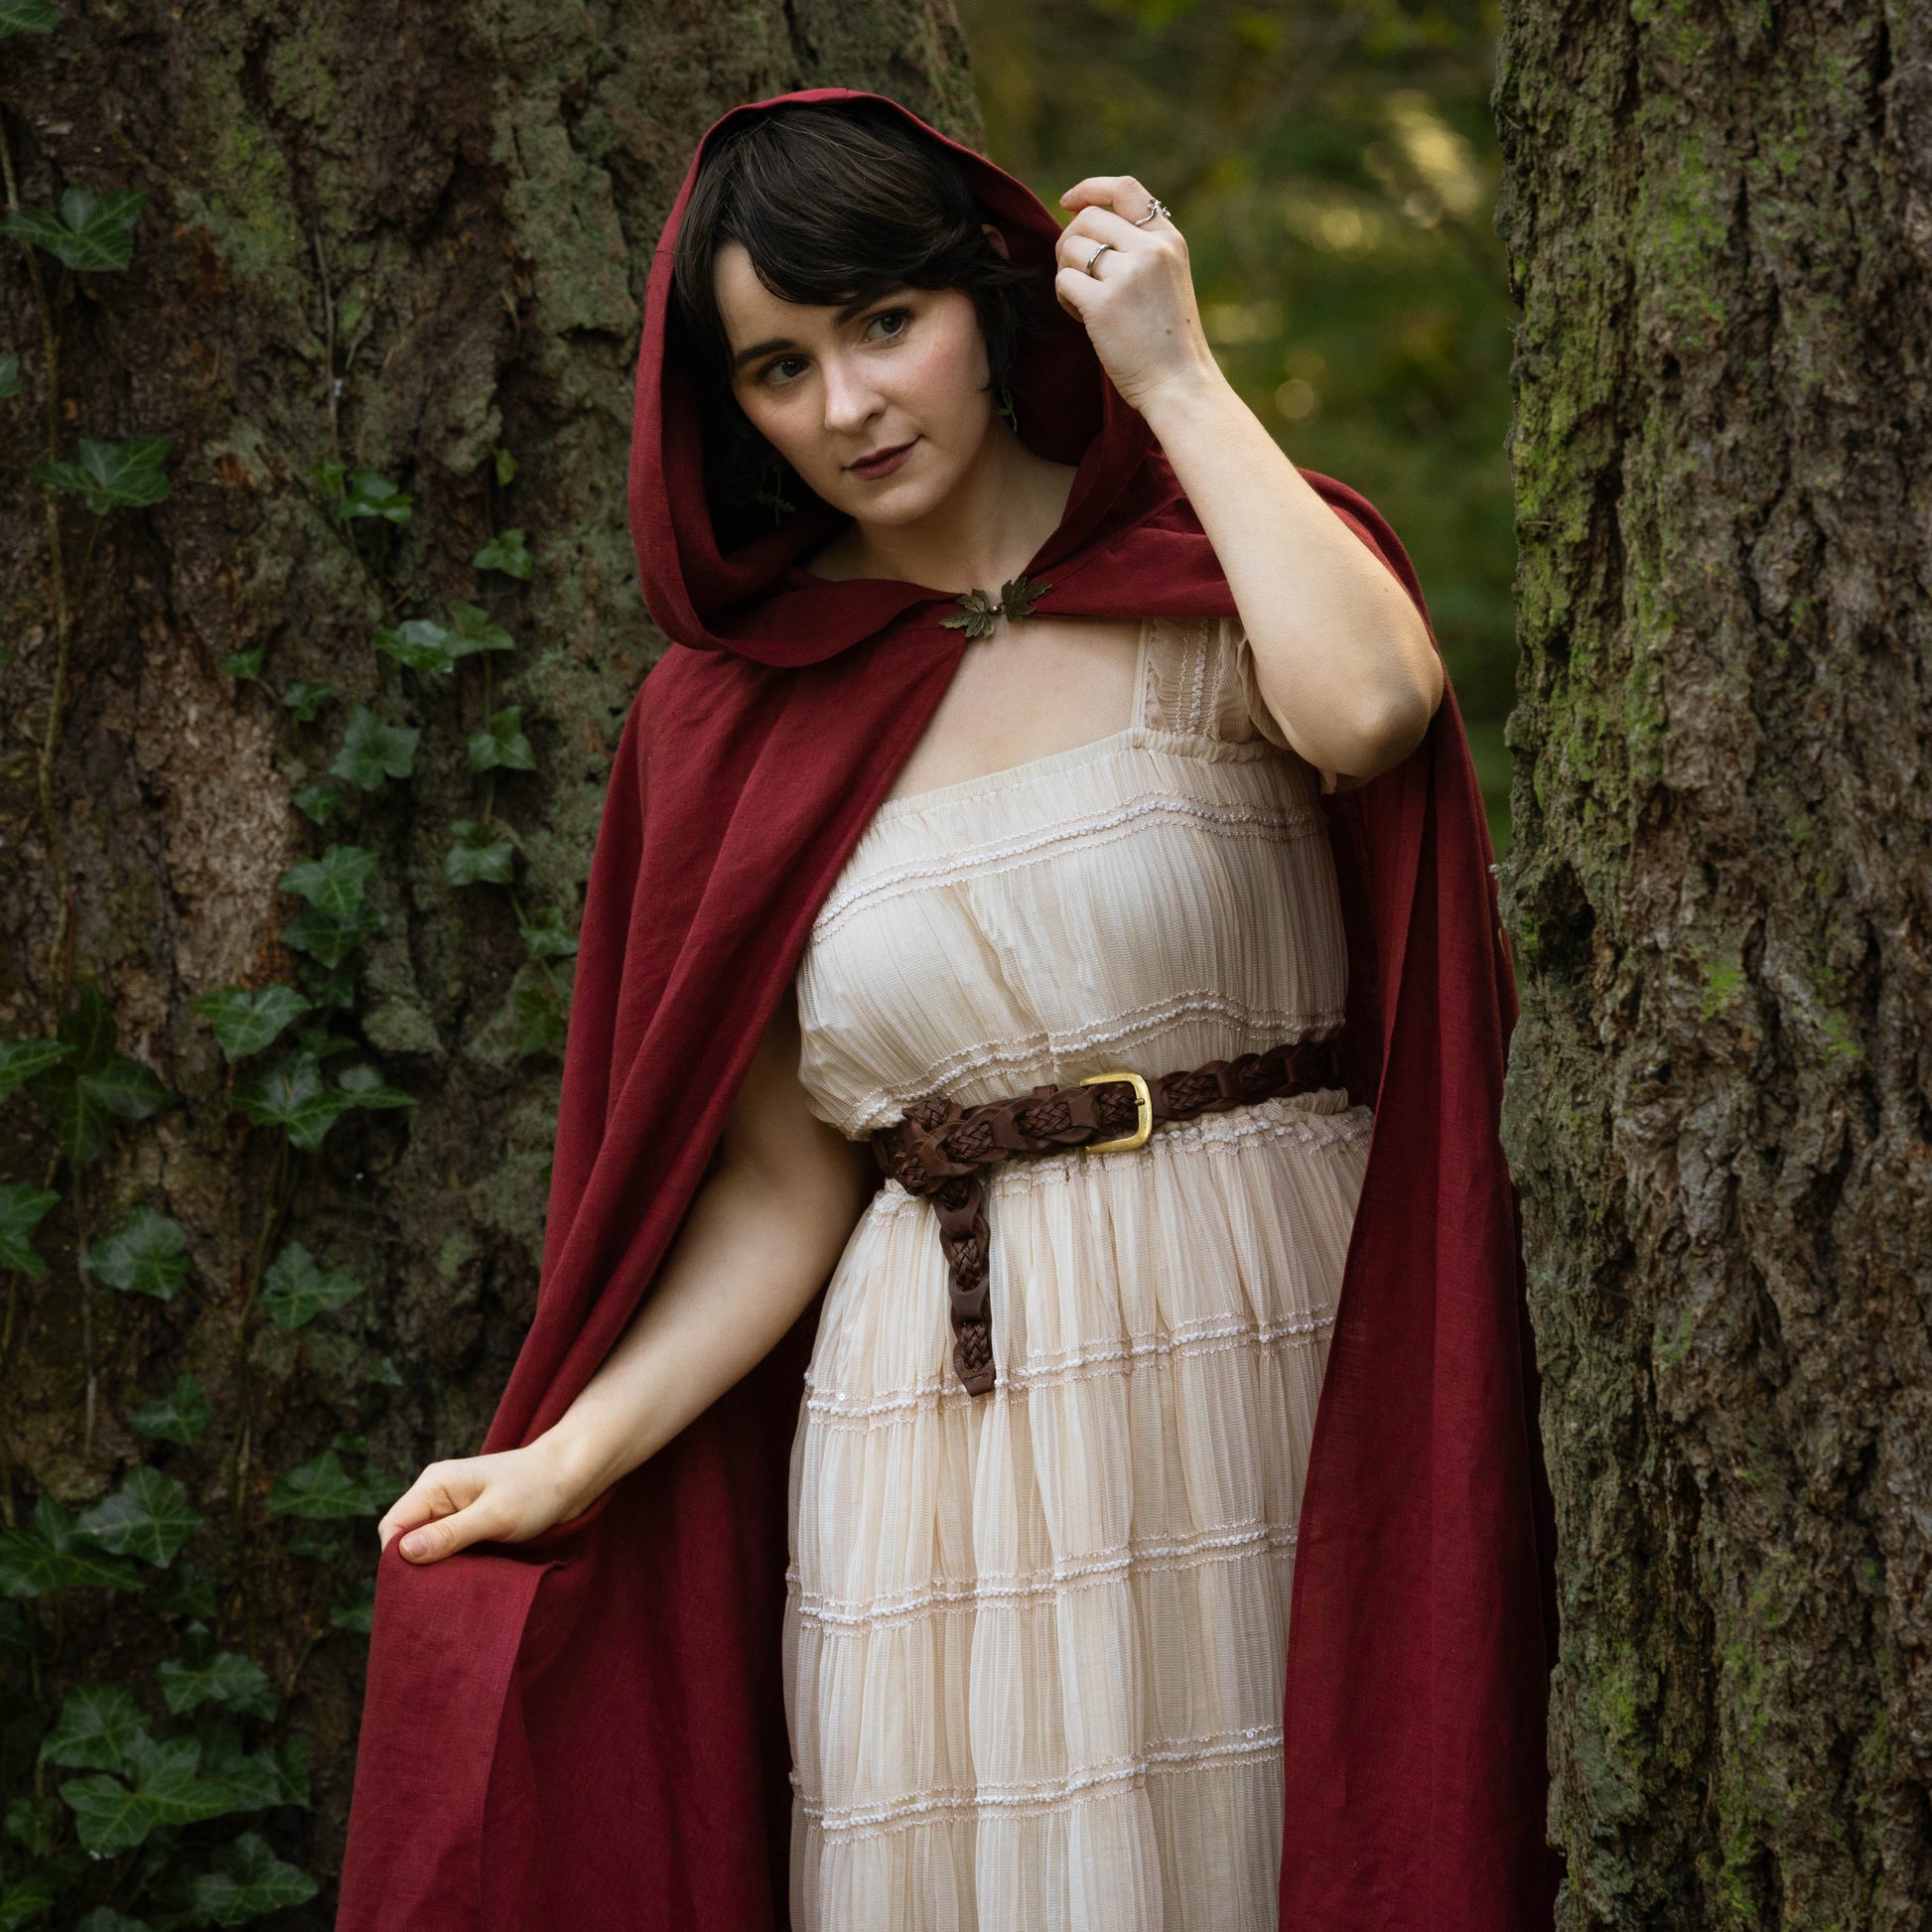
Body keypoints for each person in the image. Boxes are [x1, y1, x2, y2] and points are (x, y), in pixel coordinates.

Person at [338, 90, 1557, 1932]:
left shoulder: (1212, 560)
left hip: (1275, 1336)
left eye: (881, 324)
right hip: (936, 1426)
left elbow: (1373, 712)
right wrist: (564, 1452)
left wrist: (1179, 377)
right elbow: (775, 1186)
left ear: (988, 305)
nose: (847, 406)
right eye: (776, 368)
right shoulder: (725, 721)